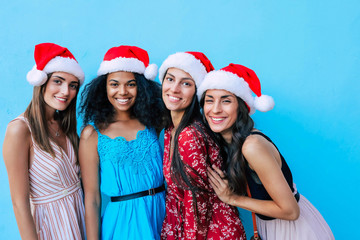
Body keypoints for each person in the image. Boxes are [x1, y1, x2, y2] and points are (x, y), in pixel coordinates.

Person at [198, 63, 335, 240]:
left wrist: (231, 198)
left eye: (226, 100)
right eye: (210, 100)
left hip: (294, 229)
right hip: (273, 226)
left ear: (241, 106)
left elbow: (291, 211)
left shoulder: (252, 146)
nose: (215, 109)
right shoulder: (232, 143)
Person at [79, 45, 165, 240]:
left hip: (161, 213)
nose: (123, 92)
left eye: (131, 84)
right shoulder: (92, 133)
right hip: (122, 222)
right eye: (114, 84)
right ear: (104, 87)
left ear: (141, 87)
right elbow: (92, 198)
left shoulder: (154, 121)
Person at [3, 43, 86, 239]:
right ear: (41, 82)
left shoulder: (64, 125)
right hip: (52, 227)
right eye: (58, 81)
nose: (65, 91)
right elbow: (19, 203)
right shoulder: (20, 130)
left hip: (80, 217)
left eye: (73, 85)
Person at [159, 52, 246, 239]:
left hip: (210, 231)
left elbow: (197, 202)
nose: (174, 89)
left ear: (197, 91)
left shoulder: (189, 135)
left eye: (186, 83)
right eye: (170, 79)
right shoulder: (169, 130)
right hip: (183, 226)